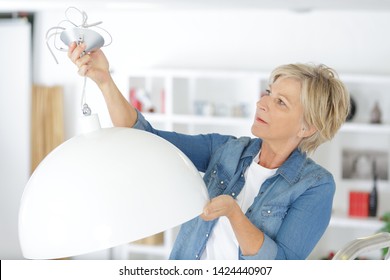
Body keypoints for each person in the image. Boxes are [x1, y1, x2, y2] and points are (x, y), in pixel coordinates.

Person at [68, 42, 350, 260]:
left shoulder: (316, 186)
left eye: (280, 103)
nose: (262, 103)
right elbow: (145, 138)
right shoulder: (227, 149)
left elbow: (281, 266)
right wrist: (103, 79)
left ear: (307, 127)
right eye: (268, 93)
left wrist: (234, 213)